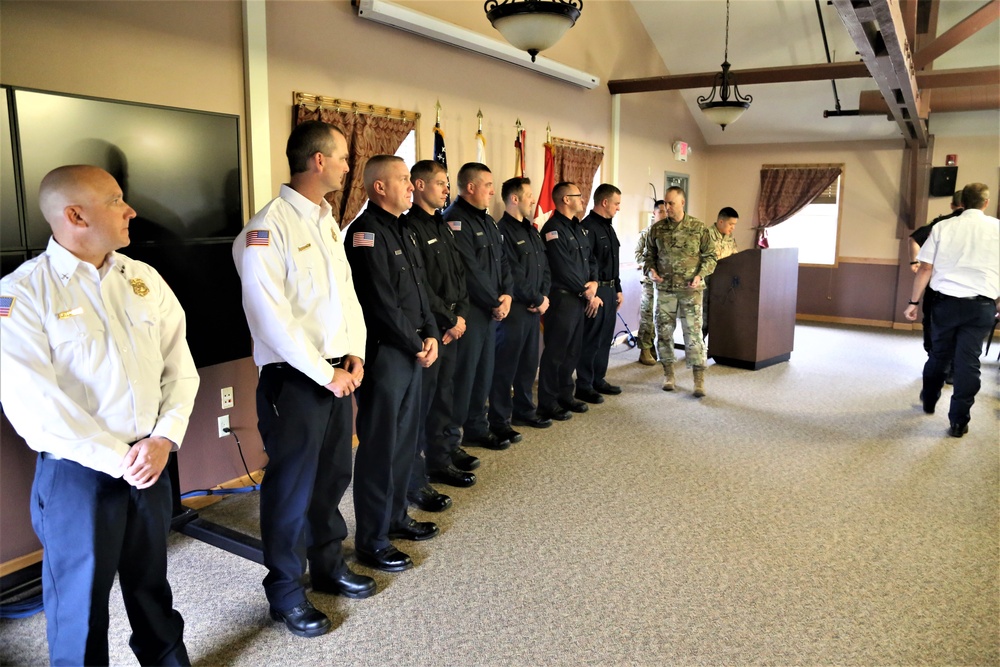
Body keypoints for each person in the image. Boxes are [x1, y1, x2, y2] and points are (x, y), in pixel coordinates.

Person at [0, 165, 200, 664]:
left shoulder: (143, 279)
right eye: (116, 200)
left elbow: (181, 369)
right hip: (78, 475)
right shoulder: (21, 294)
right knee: (80, 607)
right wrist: (123, 459)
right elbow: (35, 406)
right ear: (75, 215)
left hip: (152, 460)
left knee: (152, 586)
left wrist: (164, 438)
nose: (131, 210)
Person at [233, 121, 373, 638]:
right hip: (295, 380)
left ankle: (329, 566)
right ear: (317, 161)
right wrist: (325, 372)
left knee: (335, 474)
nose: (344, 165)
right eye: (339, 157)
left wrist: (353, 355)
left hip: (337, 374)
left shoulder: (325, 221)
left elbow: (345, 299)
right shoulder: (267, 228)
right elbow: (271, 318)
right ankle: (287, 593)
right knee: (291, 489)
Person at [345, 155, 441, 572]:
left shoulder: (404, 229)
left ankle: (396, 517)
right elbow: (380, 303)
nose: (411, 186)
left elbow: (420, 292)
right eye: (403, 179)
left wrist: (432, 331)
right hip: (386, 355)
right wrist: (416, 341)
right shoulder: (364, 234)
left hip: (413, 350)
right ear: (379, 187)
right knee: (380, 447)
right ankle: (371, 539)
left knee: (405, 440)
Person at [405, 160, 476, 506]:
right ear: (418, 186)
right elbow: (420, 287)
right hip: (434, 330)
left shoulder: (444, 225)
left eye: (447, 184)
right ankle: (420, 473)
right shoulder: (410, 228)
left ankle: (443, 456)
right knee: (425, 405)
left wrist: (460, 314)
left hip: (451, 325)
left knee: (446, 397)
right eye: (439, 183)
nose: (446, 189)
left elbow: (458, 277)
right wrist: (447, 320)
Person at [904, 182, 999, 438]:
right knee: (969, 363)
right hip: (982, 306)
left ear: (962, 202)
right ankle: (959, 422)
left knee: (938, 355)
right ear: (985, 203)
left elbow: (925, 268)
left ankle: (930, 399)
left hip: (945, 303)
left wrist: (913, 303)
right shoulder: (998, 229)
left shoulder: (943, 227)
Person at [443, 163, 514, 452]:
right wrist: (496, 301)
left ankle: (477, 427)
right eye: (488, 185)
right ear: (470, 187)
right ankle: (452, 439)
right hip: (471, 312)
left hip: (491, 312)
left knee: (484, 373)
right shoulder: (454, 220)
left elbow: (504, 262)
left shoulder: (488, 221)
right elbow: (470, 272)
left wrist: (508, 294)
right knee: (465, 376)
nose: (492, 191)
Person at [489, 177, 552, 438]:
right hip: (515, 311)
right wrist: (536, 300)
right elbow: (511, 275)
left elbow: (544, 267)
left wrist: (544, 297)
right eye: (529, 196)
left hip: (534, 309)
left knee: (528, 364)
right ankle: (499, 421)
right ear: (514, 199)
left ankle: (525, 410)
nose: (534, 201)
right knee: (506, 368)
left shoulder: (532, 230)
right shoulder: (501, 231)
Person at [643, 186, 717, 397]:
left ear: (682, 203)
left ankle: (698, 380)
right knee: (664, 334)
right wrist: (651, 271)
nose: (667, 207)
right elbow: (648, 256)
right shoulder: (657, 229)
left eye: (671, 203)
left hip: (690, 291)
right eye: (665, 203)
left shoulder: (698, 228)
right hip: (665, 290)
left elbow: (710, 256)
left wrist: (700, 274)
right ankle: (668, 375)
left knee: (693, 336)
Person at [538, 182, 600, 421]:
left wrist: (593, 283)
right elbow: (562, 268)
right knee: (556, 352)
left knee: (573, 351)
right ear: (566, 199)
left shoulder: (579, 228)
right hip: (563, 299)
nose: (582, 199)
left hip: (580, 298)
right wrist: (587, 291)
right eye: (578, 195)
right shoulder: (553, 229)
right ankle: (547, 401)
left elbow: (590, 260)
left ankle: (566, 394)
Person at [575, 183, 623, 403]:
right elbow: (585, 265)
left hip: (611, 288)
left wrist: (619, 288)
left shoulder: (609, 227)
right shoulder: (587, 227)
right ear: (605, 202)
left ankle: (598, 379)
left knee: (605, 338)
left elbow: (613, 261)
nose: (618, 208)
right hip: (596, 290)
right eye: (616, 204)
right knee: (592, 339)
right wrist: (591, 294)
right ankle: (584, 384)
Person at [909, 189, 964, 366]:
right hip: (975, 293)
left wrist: (914, 262)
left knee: (934, 326)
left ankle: (937, 363)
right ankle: (953, 370)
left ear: (952, 205)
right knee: (964, 334)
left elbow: (914, 239)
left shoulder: (941, 223)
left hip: (938, 288)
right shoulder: (991, 227)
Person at [636, 200, 666, 365]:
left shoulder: (670, 234)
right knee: (647, 316)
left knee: (661, 318)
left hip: (665, 284)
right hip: (650, 282)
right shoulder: (646, 233)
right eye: (660, 211)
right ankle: (644, 349)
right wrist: (653, 265)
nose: (664, 214)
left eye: (666, 211)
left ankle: (654, 347)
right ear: (654, 213)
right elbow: (637, 255)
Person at [702, 207, 740, 338]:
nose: (733, 228)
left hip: (723, 285)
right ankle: (697, 350)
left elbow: (736, 258)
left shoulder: (730, 238)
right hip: (706, 284)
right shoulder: (706, 235)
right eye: (731, 224)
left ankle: (717, 348)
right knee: (703, 319)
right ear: (721, 222)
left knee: (719, 317)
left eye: (734, 225)